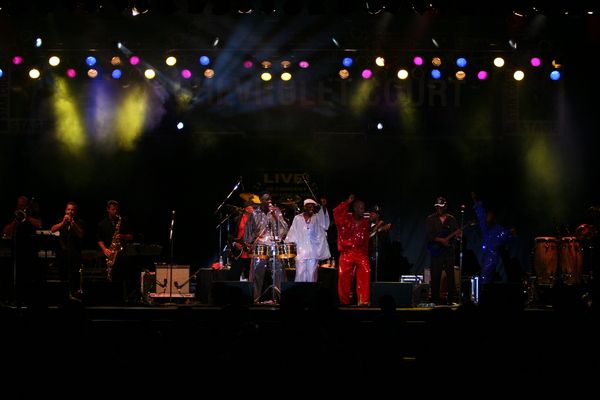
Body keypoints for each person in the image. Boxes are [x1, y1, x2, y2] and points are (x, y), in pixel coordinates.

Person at [243, 193, 288, 303]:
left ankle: (279, 299)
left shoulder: (276, 211)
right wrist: (250, 242)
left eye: (270, 199)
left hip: (274, 245)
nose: (269, 201)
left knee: (279, 271)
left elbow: (284, 228)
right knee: (256, 272)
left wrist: (275, 217)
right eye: (266, 200)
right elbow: (248, 229)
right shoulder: (255, 213)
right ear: (261, 201)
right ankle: (254, 299)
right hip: (260, 245)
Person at [2, 195, 42, 305]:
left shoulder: (32, 213)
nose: (22, 207)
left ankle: (28, 299)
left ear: (27, 206)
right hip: (16, 249)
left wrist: (27, 217)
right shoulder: (14, 215)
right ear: (17, 205)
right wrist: (15, 221)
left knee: (29, 276)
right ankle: (14, 298)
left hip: (30, 249)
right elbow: (5, 231)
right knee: (15, 276)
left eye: (24, 205)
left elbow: (39, 224)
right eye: (20, 205)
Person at [333, 194, 371, 306]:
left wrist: (365, 254)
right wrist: (347, 202)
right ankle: (344, 302)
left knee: (366, 272)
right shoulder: (345, 219)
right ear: (354, 208)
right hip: (347, 252)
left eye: (363, 208)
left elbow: (366, 240)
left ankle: (363, 301)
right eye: (360, 208)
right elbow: (336, 212)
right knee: (343, 277)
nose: (362, 211)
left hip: (361, 253)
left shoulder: (365, 223)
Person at [471, 192, 514, 284]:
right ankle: (485, 288)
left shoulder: (498, 229)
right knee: (484, 277)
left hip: (492, 256)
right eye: (487, 215)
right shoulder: (485, 227)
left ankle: (484, 289)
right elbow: (481, 214)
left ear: (493, 217)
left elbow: (505, 237)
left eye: (489, 215)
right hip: (486, 256)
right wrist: (475, 200)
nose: (487, 216)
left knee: (485, 277)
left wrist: (510, 232)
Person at [285, 198, 331, 282]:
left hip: (313, 251)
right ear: (304, 207)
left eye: (313, 207)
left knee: (311, 275)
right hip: (300, 251)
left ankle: (310, 290)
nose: (311, 209)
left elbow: (324, 223)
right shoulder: (297, 218)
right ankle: (300, 290)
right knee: (300, 274)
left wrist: (323, 207)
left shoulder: (317, 218)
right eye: (309, 207)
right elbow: (293, 232)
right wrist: (290, 245)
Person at [96, 200, 134, 303]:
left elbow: (131, 237)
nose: (115, 211)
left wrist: (122, 236)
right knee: (109, 277)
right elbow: (99, 239)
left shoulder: (123, 221)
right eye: (113, 209)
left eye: (117, 209)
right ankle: (109, 298)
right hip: (110, 253)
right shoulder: (102, 224)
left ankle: (123, 298)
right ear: (108, 210)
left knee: (123, 277)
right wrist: (105, 249)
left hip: (122, 254)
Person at [426, 196, 461, 305]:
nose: (438, 208)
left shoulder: (452, 219)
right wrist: (441, 240)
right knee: (435, 275)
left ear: (445, 206)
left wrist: (458, 236)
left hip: (449, 251)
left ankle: (451, 299)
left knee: (451, 275)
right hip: (436, 251)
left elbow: (456, 234)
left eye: (440, 206)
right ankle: (435, 300)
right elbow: (429, 236)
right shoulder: (431, 219)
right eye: (437, 206)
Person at [51, 201, 85, 301]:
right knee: (63, 276)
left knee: (74, 276)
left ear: (75, 212)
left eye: (72, 210)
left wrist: (73, 223)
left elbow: (81, 234)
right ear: (65, 211)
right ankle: (63, 298)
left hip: (75, 254)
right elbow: (52, 229)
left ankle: (75, 297)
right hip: (63, 254)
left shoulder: (80, 222)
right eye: (68, 209)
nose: (70, 211)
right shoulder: (61, 220)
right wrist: (63, 223)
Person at [230, 201, 256, 281]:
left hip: (251, 252)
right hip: (238, 251)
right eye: (252, 207)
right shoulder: (237, 219)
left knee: (251, 277)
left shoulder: (255, 220)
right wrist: (234, 243)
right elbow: (230, 234)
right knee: (234, 275)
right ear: (246, 209)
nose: (254, 209)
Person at [369, 205, 392, 282]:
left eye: (372, 213)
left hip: (380, 257)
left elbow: (386, 242)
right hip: (368, 255)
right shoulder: (367, 225)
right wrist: (379, 228)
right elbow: (368, 237)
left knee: (379, 277)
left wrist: (381, 228)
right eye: (370, 213)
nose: (370, 215)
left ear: (378, 215)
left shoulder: (384, 226)